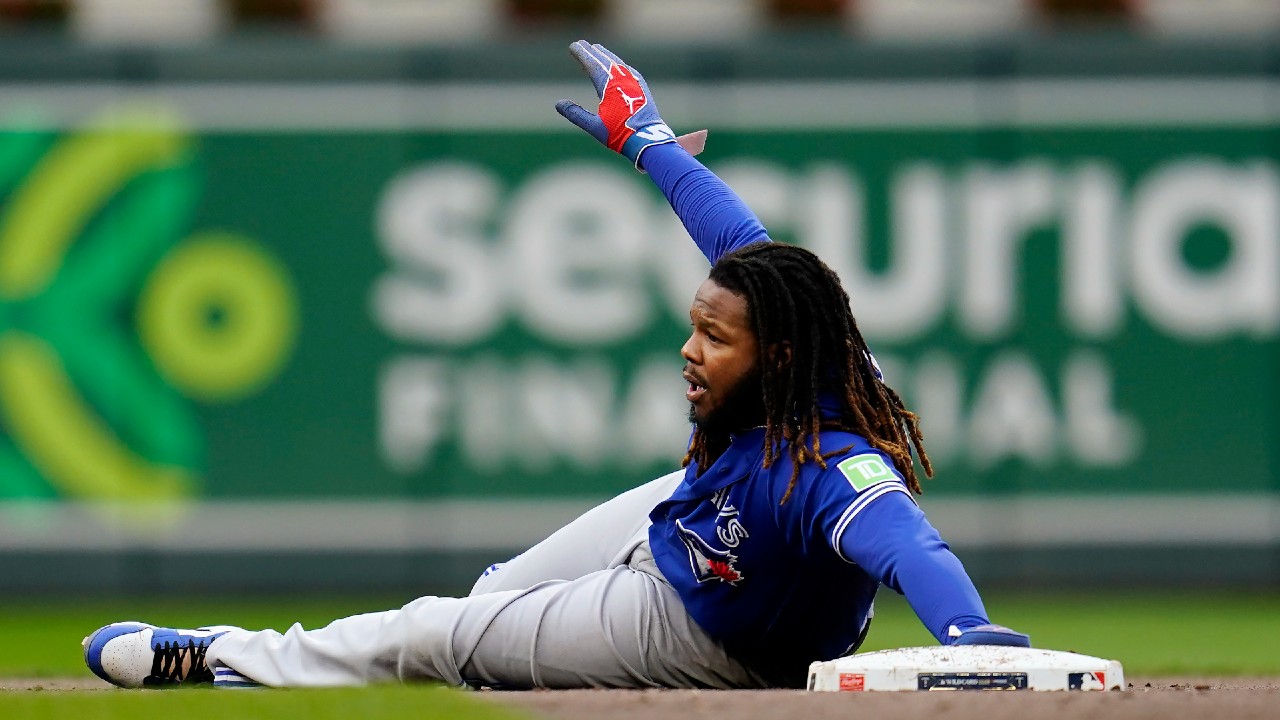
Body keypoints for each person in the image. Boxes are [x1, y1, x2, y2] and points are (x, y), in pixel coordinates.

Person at [82, 41, 1029, 691]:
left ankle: (223, 659)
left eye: (714, 337)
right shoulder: (789, 326)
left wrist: (970, 640)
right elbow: (735, 232)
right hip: (698, 523)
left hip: (712, 635)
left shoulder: (827, 462)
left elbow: (909, 544)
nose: (689, 349)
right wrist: (653, 145)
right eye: (695, 324)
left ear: (777, 356)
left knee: (442, 636)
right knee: (493, 596)